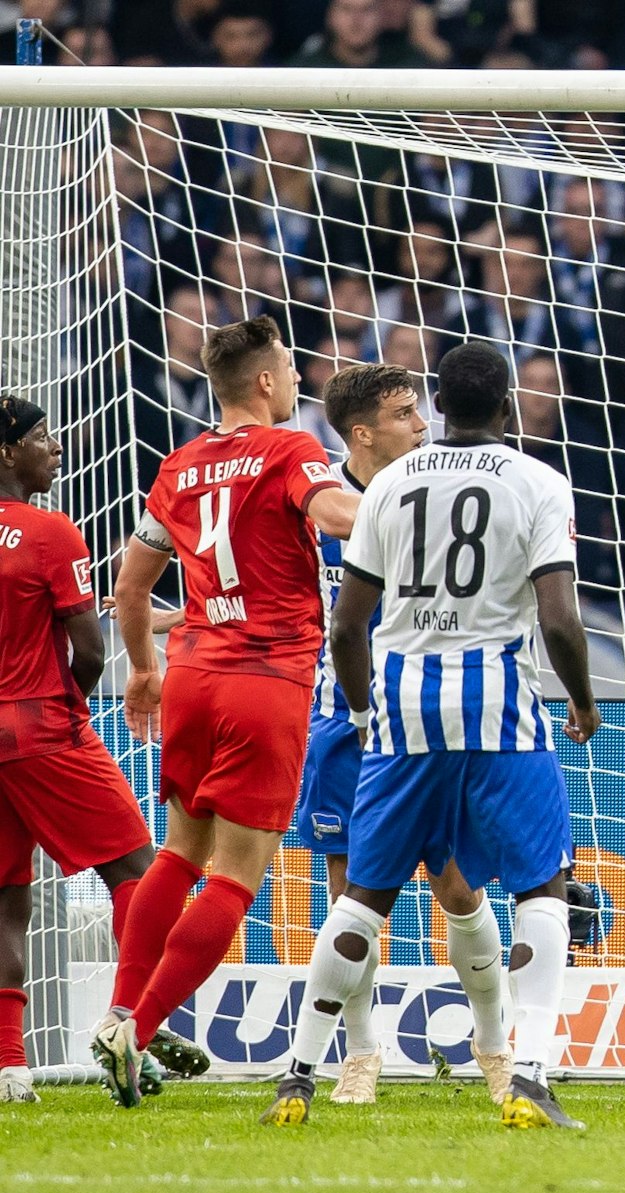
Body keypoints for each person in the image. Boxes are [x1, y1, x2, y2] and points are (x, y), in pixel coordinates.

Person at [262, 343, 599, 1131]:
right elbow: (559, 618)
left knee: (361, 898)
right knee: (541, 889)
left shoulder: (385, 489)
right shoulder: (539, 482)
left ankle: (298, 1076)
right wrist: (582, 701)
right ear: (508, 406)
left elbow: (348, 625)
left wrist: (359, 713)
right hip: (498, 706)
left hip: (400, 703)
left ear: (439, 406)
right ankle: (530, 1072)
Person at [94, 315, 361, 1107]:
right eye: (290, 371)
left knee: (177, 852)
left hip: (193, 674)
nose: (298, 385)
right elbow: (332, 513)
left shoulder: (177, 467)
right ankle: (137, 1028)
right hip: (266, 677)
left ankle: (119, 1010)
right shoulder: (291, 450)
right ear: (268, 382)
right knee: (238, 876)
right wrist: (407, 507)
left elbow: (130, 584)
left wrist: (144, 668)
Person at [293, 363, 513, 1106]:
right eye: (405, 413)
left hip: (428, 710)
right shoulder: (316, 501)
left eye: (422, 410)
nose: (423, 424)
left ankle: (495, 1043)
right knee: (349, 891)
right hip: (342, 718)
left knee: (456, 886)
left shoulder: (447, 497)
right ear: (362, 433)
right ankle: (361, 1053)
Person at [0, 399, 209, 1103]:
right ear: (7, 452)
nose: (54, 448)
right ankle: (134, 1021)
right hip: (40, 726)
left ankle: (9, 1067)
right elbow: (89, 647)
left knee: (7, 896)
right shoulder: (50, 532)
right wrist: (69, 710)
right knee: (141, 866)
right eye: (38, 437)